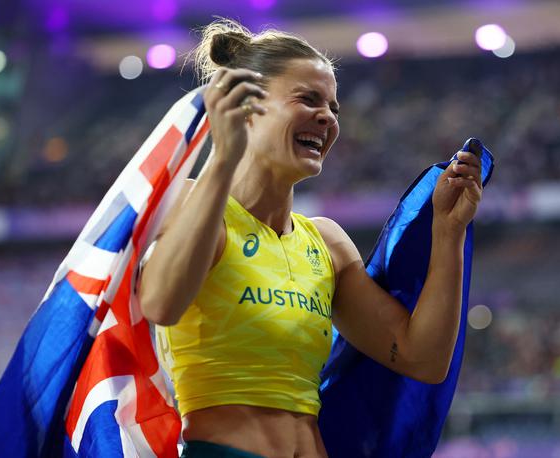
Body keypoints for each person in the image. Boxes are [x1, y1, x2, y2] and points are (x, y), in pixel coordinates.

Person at [138, 18, 483, 458]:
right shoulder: (194, 205)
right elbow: (160, 305)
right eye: (308, 99)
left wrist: (447, 232)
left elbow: (423, 359)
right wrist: (223, 160)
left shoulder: (327, 243)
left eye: (334, 108)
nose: (327, 116)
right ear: (247, 108)